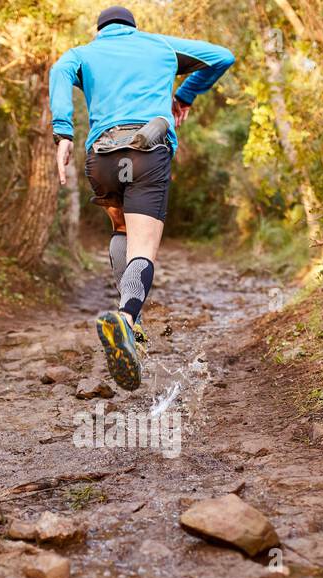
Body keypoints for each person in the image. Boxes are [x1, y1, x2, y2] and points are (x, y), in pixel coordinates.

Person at [49, 5, 234, 390]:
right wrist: (183, 96)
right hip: (146, 151)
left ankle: (128, 318)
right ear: (134, 28)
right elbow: (222, 56)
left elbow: (59, 71)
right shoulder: (160, 46)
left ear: (100, 31)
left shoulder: (82, 53)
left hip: (102, 157)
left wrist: (63, 132)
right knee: (143, 250)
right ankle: (127, 319)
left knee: (121, 229)